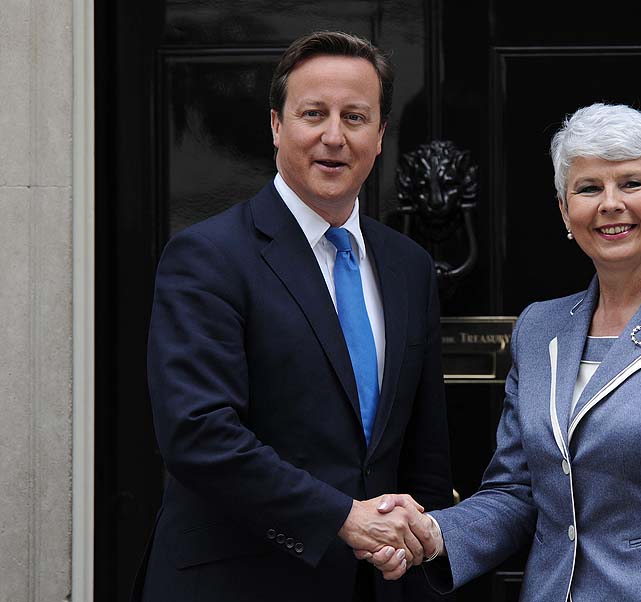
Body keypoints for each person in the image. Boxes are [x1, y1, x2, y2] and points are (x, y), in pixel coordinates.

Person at [365, 103, 641, 600]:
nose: (611, 203)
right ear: (566, 212)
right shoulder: (538, 327)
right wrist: (433, 535)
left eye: (632, 183)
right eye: (589, 188)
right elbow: (517, 491)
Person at [133, 30, 453, 602]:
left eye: (355, 117)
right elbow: (198, 433)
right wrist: (340, 518)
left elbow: (422, 454)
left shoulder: (408, 266)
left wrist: (413, 546)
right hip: (240, 583)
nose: (334, 136)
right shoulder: (208, 257)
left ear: (380, 137)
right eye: (314, 114)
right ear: (277, 126)